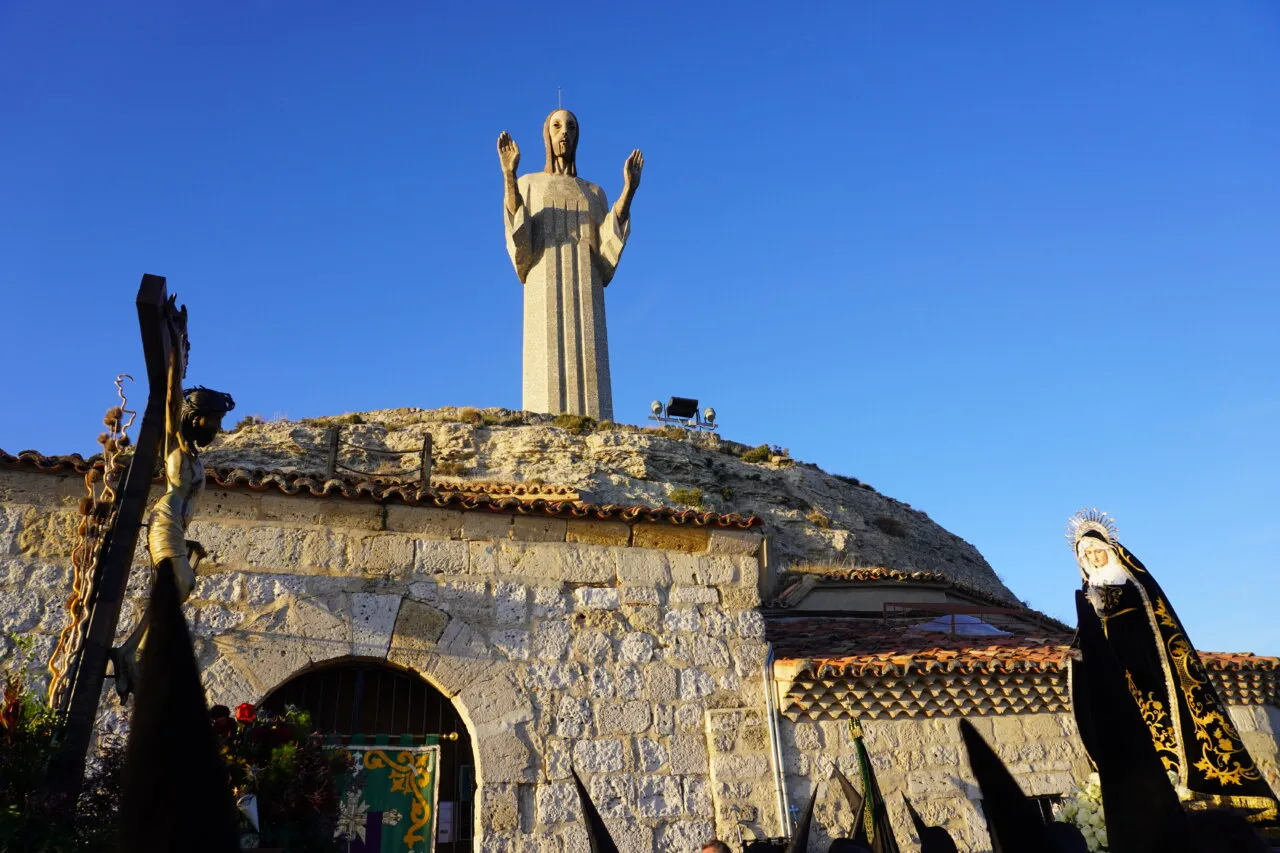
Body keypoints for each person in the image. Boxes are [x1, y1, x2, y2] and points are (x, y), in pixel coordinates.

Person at [1069, 509, 1279, 827]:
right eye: (1088, 553)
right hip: (1118, 672)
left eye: (1098, 550)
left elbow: (1156, 624)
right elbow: (1084, 636)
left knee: (1169, 725)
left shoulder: (1131, 583)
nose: (1095, 556)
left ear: (1110, 551)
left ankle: (1192, 787)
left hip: (1149, 667)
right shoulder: (1089, 591)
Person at [111, 309, 234, 699]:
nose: (218, 427)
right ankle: (132, 653)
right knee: (177, 584)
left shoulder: (194, 458)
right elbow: (169, 396)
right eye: (213, 419)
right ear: (196, 418)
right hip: (165, 522)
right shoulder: (175, 445)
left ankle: (133, 651)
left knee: (182, 586)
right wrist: (176, 352)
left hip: (177, 529)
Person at [498, 109, 643, 420]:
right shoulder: (529, 183)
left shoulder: (594, 193)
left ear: (578, 136)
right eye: (557, 126)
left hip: (587, 293)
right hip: (543, 287)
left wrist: (628, 191)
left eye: (571, 127)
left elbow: (606, 250)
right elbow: (520, 241)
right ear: (547, 136)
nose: (564, 132)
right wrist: (509, 176)